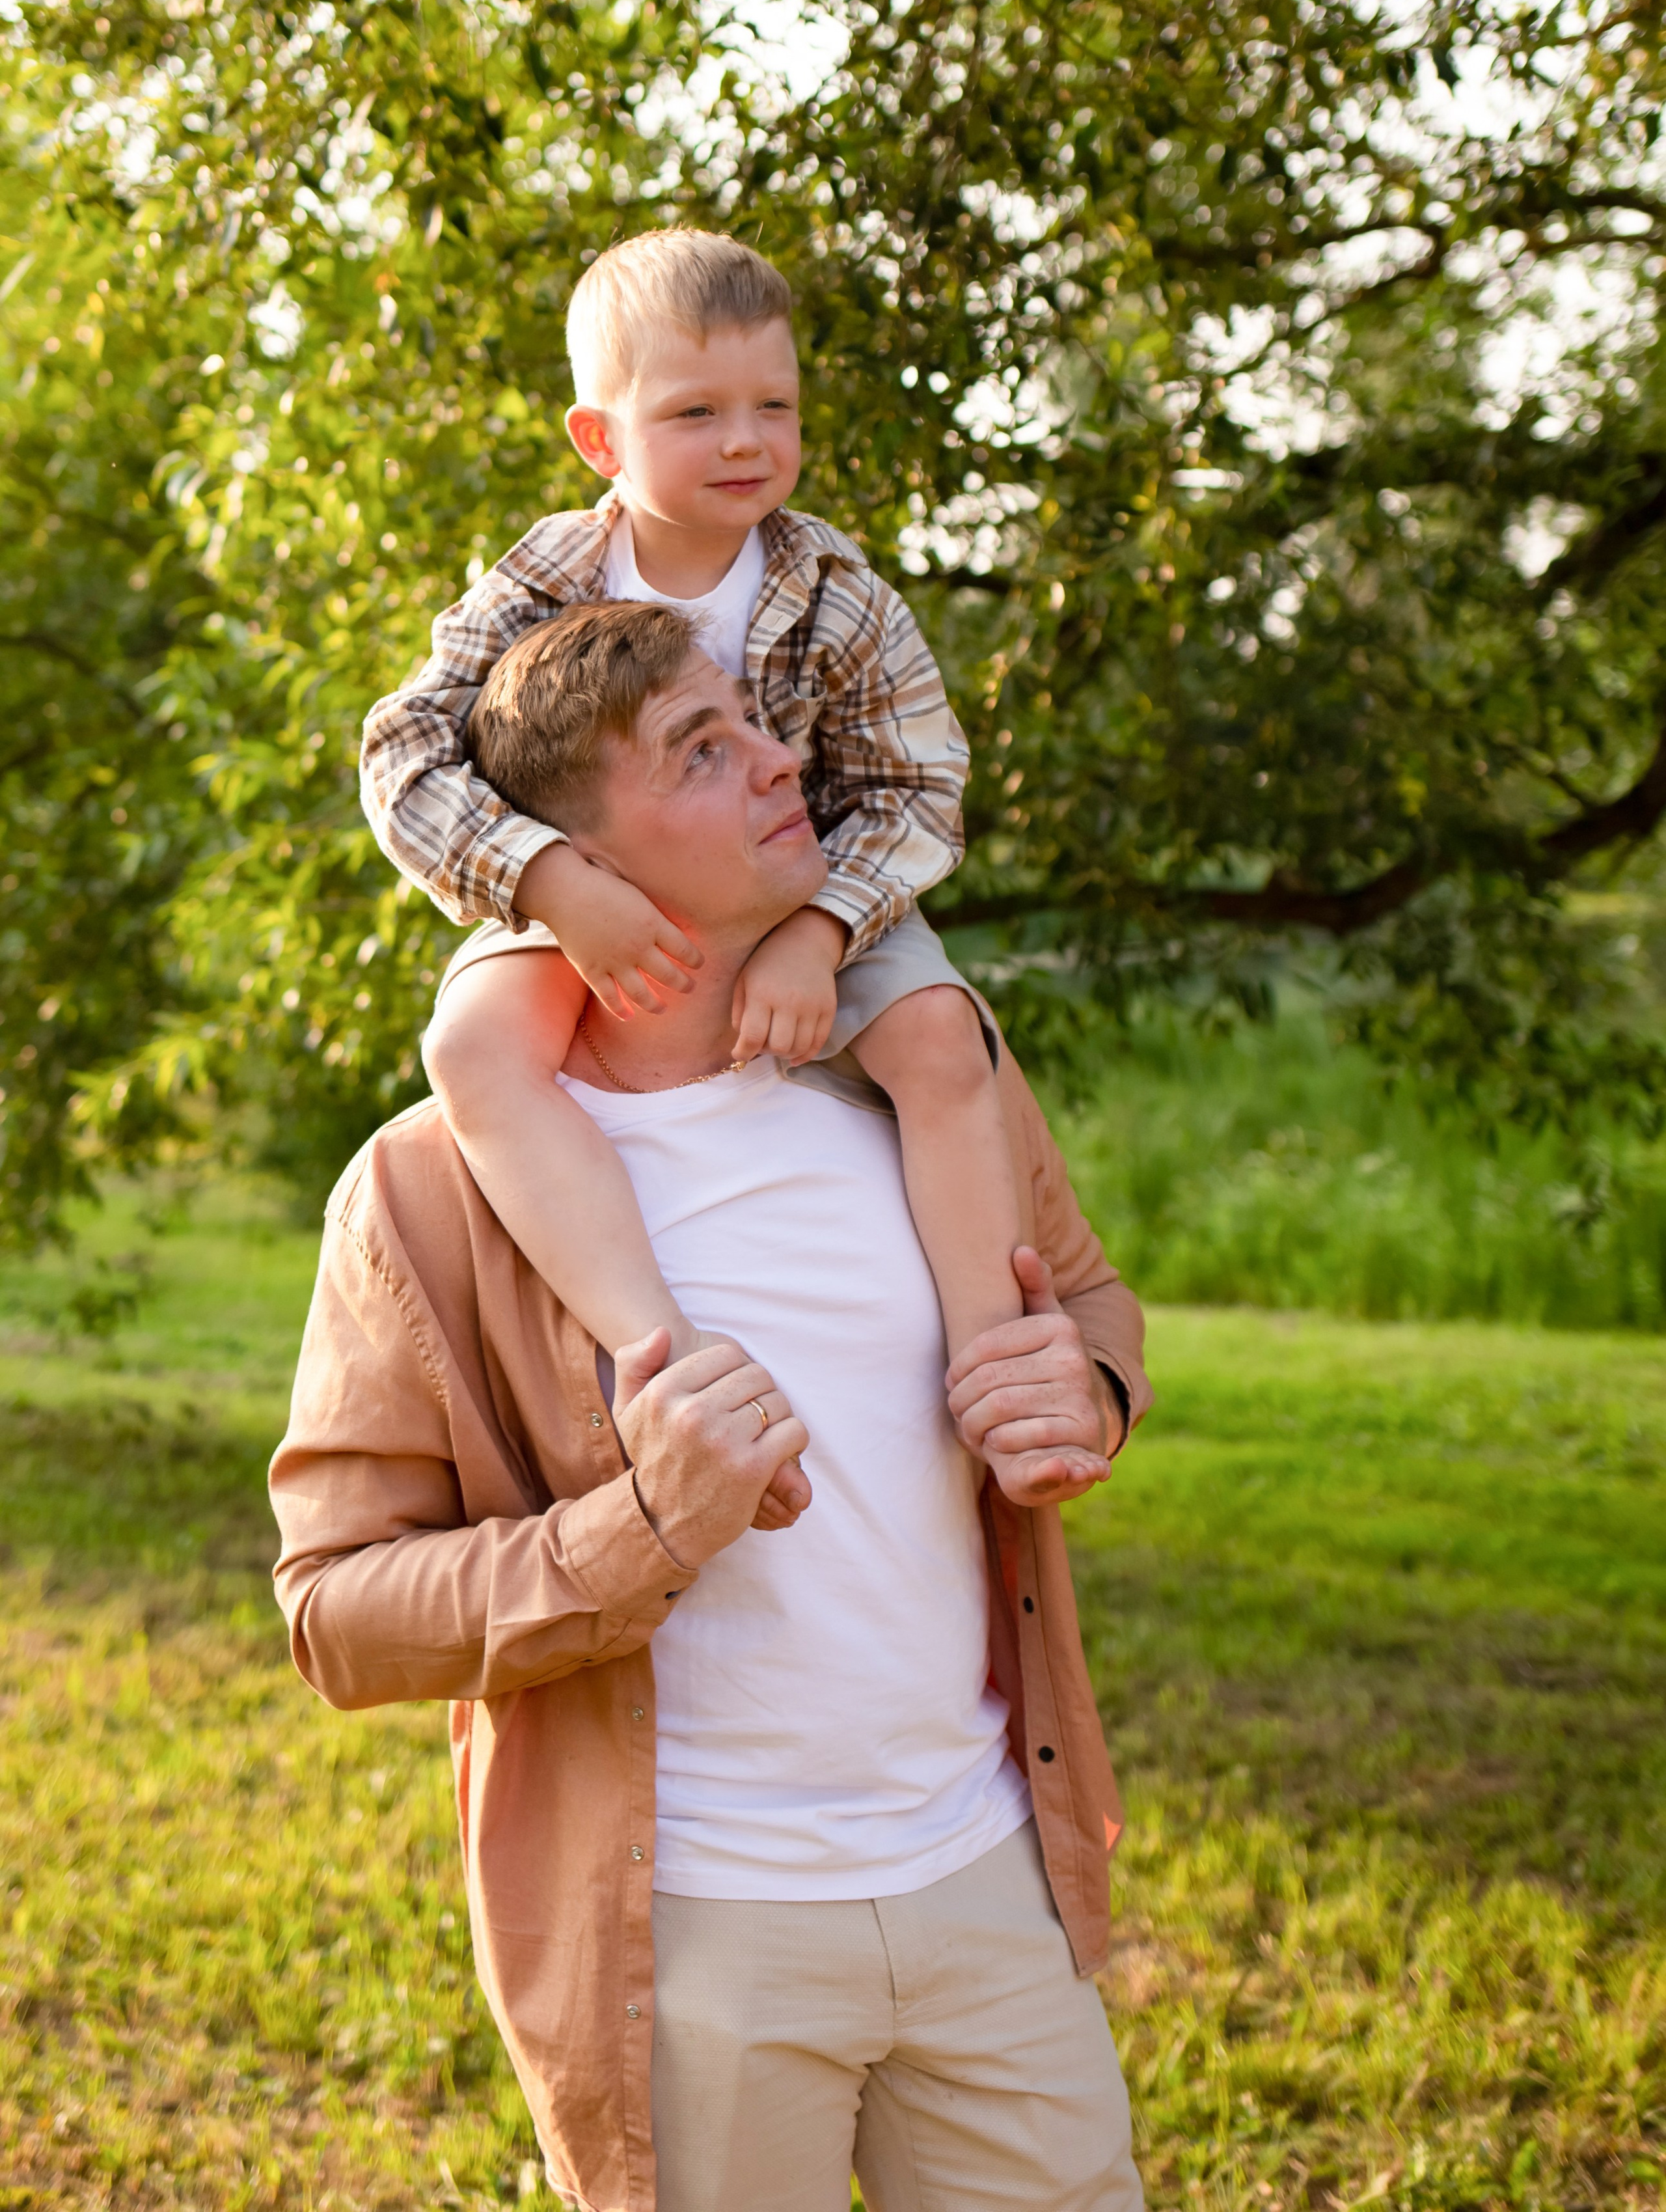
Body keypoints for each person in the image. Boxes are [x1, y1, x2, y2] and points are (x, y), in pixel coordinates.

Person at [278, 600, 1151, 2212]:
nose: (781, 760)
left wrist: (1081, 1388)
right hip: (692, 1936)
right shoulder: (427, 1190)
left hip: (987, 1882)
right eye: (704, 749)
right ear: (577, 858)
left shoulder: (909, 1070)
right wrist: (640, 1529)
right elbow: (337, 1613)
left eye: (751, 720)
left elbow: (1087, 1306)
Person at [358, 227, 1039, 1456]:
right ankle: (649, 1347)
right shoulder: (546, 579)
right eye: (696, 412)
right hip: (588, 889)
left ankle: (999, 1372)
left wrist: (821, 935)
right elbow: (402, 750)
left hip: (817, 887)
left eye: (774, 404)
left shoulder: (835, 588)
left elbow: (921, 785)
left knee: (941, 1039)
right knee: (475, 1046)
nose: (745, 440)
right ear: (601, 440)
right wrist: (554, 881)